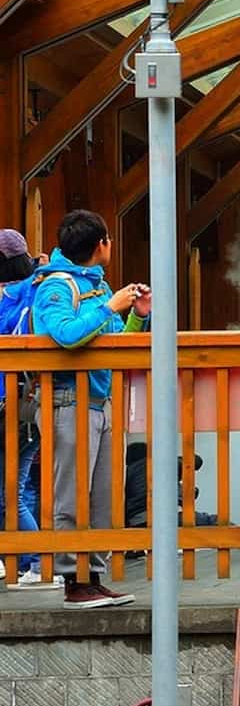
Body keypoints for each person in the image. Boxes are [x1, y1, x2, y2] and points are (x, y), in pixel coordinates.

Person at [32, 211, 150, 609]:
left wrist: (137, 314)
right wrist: (112, 308)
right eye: (109, 239)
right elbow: (65, 334)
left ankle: (92, 578)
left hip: (100, 402)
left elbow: (117, 343)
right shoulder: (56, 286)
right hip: (69, 401)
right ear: (100, 244)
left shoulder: (97, 287)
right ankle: (73, 582)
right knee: (71, 495)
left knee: (101, 496)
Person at [0, 228, 53, 587]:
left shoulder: (10, 296)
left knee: (10, 492)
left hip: (9, 405)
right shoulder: (40, 286)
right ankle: (29, 561)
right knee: (22, 488)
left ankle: (34, 559)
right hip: (31, 403)